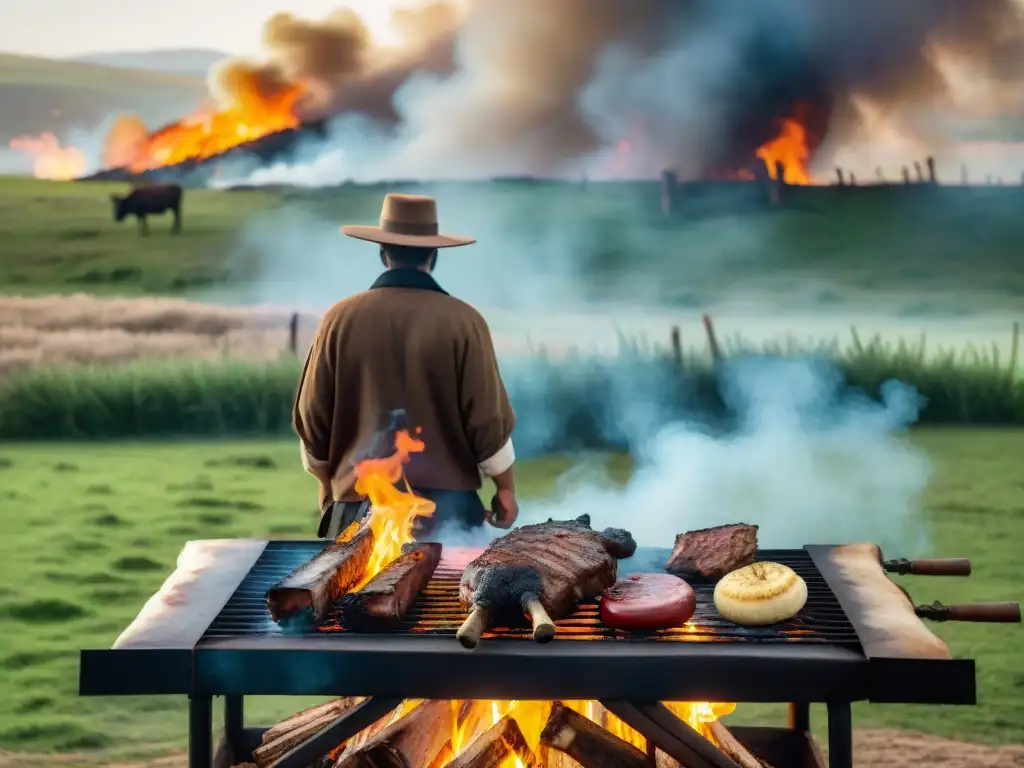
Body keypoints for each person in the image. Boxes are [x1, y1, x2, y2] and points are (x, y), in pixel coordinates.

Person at [292, 192, 519, 540]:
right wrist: (505, 488)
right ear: (434, 255)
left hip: (357, 508)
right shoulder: (465, 321)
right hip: (449, 515)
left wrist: (328, 482)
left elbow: (312, 416)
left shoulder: (339, 319)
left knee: (351, 596)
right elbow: (487, 420)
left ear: (383, 254)